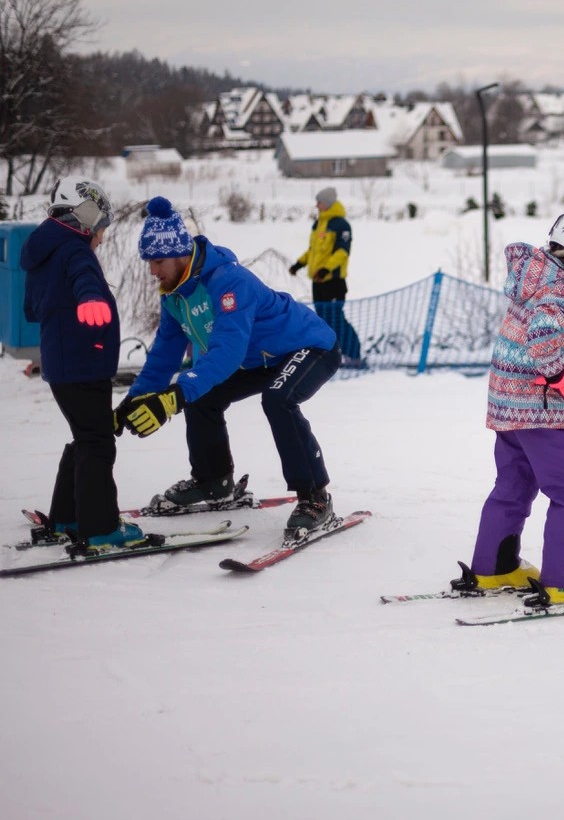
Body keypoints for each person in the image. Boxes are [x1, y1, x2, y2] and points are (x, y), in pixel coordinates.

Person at [118, 196, 343, 534]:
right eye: (148, 262)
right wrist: (136, 397)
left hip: (308, 346)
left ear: (181, 253)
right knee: (201, 394)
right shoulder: (174, 293)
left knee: (278, 399)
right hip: (257, 360)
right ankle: (213, 480)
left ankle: (315, 497)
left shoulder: (227, 282)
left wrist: (174, 397)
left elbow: (227, 351)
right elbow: (165, 351)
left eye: (158, 261)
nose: (152, 270)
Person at [455, 212, 564, 605]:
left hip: (510, 407)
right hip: (540, 412)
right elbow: (543, 335)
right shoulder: (558, 291)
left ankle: (495, 568)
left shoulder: (535, 281)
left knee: (514, 485)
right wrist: (557, 376)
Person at [20, 176, 142, 549]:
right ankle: (100, 526)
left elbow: (31, 310)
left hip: (62, 368)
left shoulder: (43, 253)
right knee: (97, 443)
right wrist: (90, 298)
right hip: (84, 365)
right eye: (101, 227)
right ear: (84, 217)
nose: (102, 237)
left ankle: (68, 516)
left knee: (84, 439)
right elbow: (84, 277)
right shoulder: (75, 250)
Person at [289, 187, 364, 368]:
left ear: (328, 203)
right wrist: (300, 263)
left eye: (319, 202)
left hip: (334, 283)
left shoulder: (341, 225)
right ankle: (333, 354)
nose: (317, 205)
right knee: (323, 320)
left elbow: (342, 252)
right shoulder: (318, 224)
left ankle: (354, 354)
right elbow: (313, 252)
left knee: (336, 318)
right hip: (318, 283)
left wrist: (325, 270)